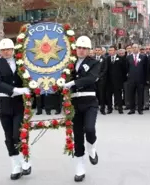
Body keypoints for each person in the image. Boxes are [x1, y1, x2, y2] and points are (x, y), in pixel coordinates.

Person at [0, 38, 31, 180]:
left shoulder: (21, 63)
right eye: (3, 50)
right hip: (4, 102)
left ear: (13, 50)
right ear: (0, 51)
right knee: (8, 137)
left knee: (17, 135)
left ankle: (25, 160)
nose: (6, 52)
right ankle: (15, 165)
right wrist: (16, 90)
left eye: (8, 49)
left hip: (19, 104)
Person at [63, 36, 100, 182]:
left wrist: (72, 83)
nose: (81, 50)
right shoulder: (69, 63)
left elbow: (91, 78)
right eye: (79, 47)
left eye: (84, 48)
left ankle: (92, 147)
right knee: (77, 135)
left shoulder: (94, 63)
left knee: (89, 129)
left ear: (89, 50)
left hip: (89, 100)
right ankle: (80, 168)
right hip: (74, 102)